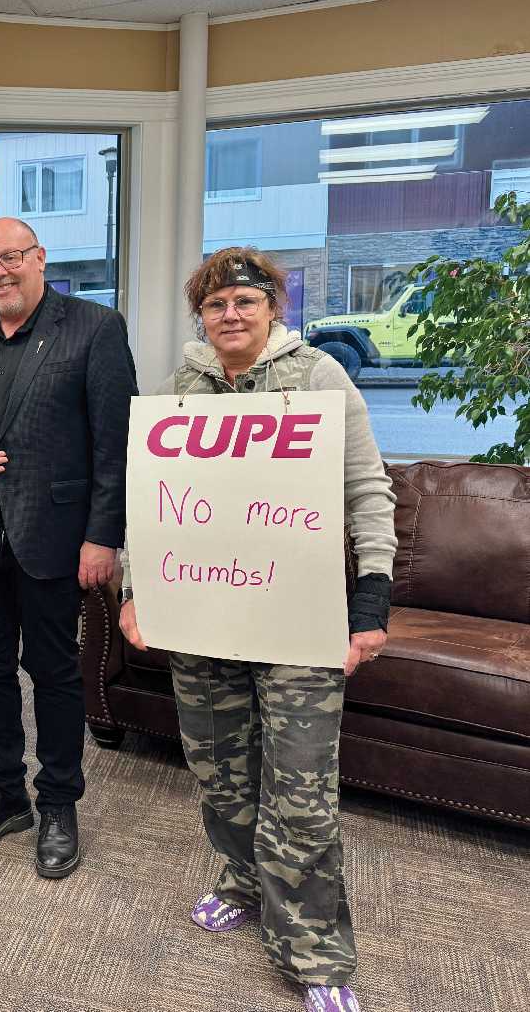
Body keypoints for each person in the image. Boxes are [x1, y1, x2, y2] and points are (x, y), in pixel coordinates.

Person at [118, 246, 396, 1012]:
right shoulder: (179, 391)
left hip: (298, 618)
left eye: (246, 300)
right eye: (215, 304)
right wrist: (138, 591)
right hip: (204, 617)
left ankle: (314, 951)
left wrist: (371, 601)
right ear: (200, 316)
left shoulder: (319, 378)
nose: (230, 314)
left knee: (301, 788)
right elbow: (149, 503)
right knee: (221, 771)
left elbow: (368, 490)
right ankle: (242, 879)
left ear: (273, 306)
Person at [0, 217, 136, 877]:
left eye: (10, 258)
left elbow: (116, 443)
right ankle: (4, 791)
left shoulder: (95, 329)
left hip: (56, 538)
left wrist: (103, 536)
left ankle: (59, 803)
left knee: (54, 672)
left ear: (39, 258)